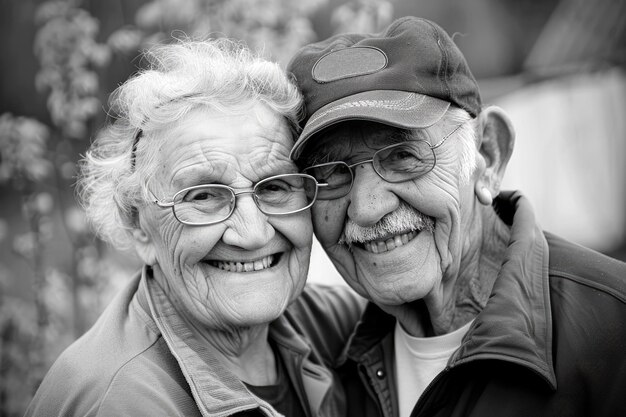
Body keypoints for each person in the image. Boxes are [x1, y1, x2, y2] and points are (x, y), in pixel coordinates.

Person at [288, 16, 626, 417]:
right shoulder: (322, 361)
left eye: (402, 156)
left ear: (488, 153)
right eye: (329, 174)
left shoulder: (614, 330)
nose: (366, 208)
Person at [25, 38, 364, 417]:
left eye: (274, 187)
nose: (253, 233)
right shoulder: (120, 402)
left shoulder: (339, 325)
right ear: (138, 224)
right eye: (203, 196)